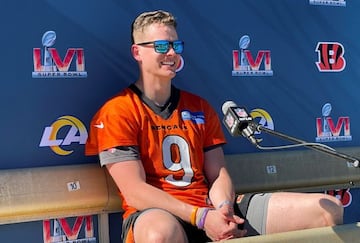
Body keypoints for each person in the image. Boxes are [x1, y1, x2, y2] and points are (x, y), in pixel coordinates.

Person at [85, 10, 343, 243]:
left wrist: (224, 208)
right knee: (159, 235)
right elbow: (135, 192)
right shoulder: (117, 110)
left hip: (209, 210)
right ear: (137, 52)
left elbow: (218, 173)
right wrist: (200, 218)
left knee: (327, 209)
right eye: (161, 46)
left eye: (176, 45)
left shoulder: (198, 106)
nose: (172, 53)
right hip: (160, 215)